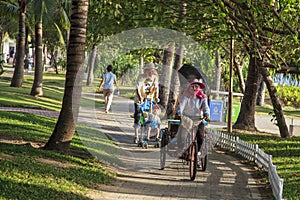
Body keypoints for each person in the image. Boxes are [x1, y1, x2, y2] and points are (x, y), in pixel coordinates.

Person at [176, 78, 210, 157]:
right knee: (183, 135)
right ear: (189, 87)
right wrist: (179, 112)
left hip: (198, 119)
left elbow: (206, 107)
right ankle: (182, 150)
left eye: (196, 86)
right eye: (192, 86)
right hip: (186, 118)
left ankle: (198, 153)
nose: (194, 88)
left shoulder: (202, 97)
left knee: (201, 136)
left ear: (199, 87)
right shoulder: (186, 95)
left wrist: (207, 114)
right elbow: (181, 105)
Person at [133, 62, 160, 144]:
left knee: (151, 118)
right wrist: (140, 97)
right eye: (150, 70)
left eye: (152, 70)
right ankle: (136, 136)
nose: (151, 72)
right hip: (140, 100)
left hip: (150, 100)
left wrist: (156, 97)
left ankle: (148, 136)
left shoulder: (154, 78)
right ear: (146, 70)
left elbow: (156, 88)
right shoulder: (141, 77)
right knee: (138, 117)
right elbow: (138, 88)